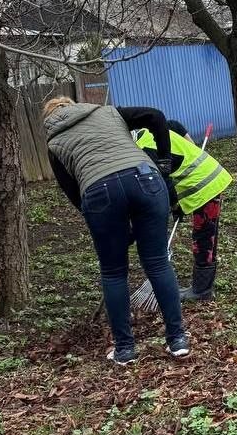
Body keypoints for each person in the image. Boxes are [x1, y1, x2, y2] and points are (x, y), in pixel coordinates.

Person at [43, 97, 190, 365]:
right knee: (157, 263)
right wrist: (165, 161)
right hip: (145, 179)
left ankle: (125, 349)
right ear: (75, 105)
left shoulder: (54, 143)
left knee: (113, 273)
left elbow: (74, 193)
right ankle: (177, 339)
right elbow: (155, 114)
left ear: (50, 118)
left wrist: (110, 224)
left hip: (99, 193)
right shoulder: (108, 112)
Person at [134, 120, 232, 302]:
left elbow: (163, 179)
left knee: (203, 237)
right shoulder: (148, 132)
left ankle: (202, 291)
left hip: (205, 183)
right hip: (205, 180)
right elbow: (174, 128)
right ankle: (203, 287)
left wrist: (174, 206)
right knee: (205, 236)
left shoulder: (144, 148)